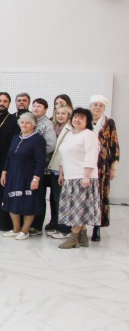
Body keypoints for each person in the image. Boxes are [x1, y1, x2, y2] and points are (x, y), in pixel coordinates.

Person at [57, 108, 101, 249]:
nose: (77, 120)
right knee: (75, 208)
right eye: (75, 117)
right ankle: (83, 237)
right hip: (70, 177)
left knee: (78, 209)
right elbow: (63, 154)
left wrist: (86, 176)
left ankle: (73, 238)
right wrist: (62, 173)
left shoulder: (88, 135)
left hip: (82, 177)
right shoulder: (70, 134)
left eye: (81, 118)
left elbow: (91, 156)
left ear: (87, 121)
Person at [0, 113, 46, 240]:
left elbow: (40, 162)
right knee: (12, 201)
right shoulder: (16, 138)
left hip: (28, 176)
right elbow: (9, 157)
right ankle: (16, 229)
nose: (24, 125)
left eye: (28, 123)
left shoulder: (38, 140)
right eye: (22, 122)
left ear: (33, 125)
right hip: (13, 175)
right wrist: (4, 171)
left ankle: (25, 231)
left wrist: (36, 179)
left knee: (27, 203)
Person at [89, 95, 120, 242]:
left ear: (104, 108)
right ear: (90, 106)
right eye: (95, 104)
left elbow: (114, 144)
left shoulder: (109, 123)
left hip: (102, 165)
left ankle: (97, 228)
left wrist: (114, 166)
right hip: (85, 164)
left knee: (100, 195)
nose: (97, 107)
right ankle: (80, 228)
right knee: (84, 195)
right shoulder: (84, 120)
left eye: (100, 105)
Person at [0, 92, 19, 231]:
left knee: (3, 191)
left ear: (9, 104)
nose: (1, 103)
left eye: (5, 101)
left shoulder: (13, 120)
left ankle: (2, 222)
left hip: (5, 160)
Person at [30, 98, 56, 235]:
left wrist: (36, 154)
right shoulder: (31, 121)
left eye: (39, 106)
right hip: (30, 164)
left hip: (41, 166)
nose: (36, 108)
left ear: (45, 110)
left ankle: (37, 226)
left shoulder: (47, 124)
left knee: (39, 196)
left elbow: (51, 145)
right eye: (34, 106)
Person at [47, 105, 74, 239]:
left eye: (63, 113)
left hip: (63, 169)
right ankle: (58, 227)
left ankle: (65, 229)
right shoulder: (55, 127)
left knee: (62, 200)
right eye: (58, 113)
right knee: (55, 199)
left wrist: (63, 172)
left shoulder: (70, 129)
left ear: (69, 115)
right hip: (55, 167)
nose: (60, 116)